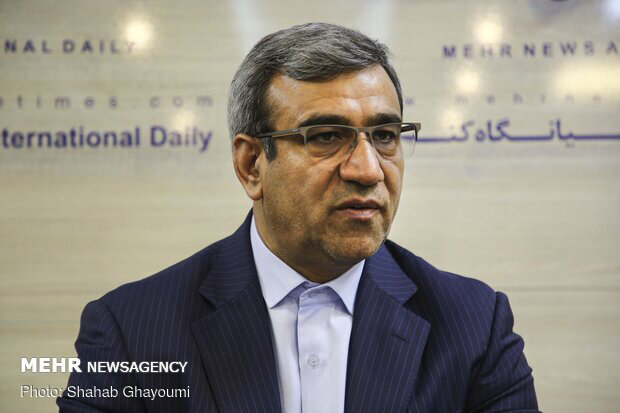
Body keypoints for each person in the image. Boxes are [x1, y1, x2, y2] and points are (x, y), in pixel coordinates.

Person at [58, 22, 538, 412]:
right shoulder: (131, 330)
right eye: (326, 136)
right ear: (252, 165)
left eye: (385, 135)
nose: (368, 170)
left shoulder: (474, 325)